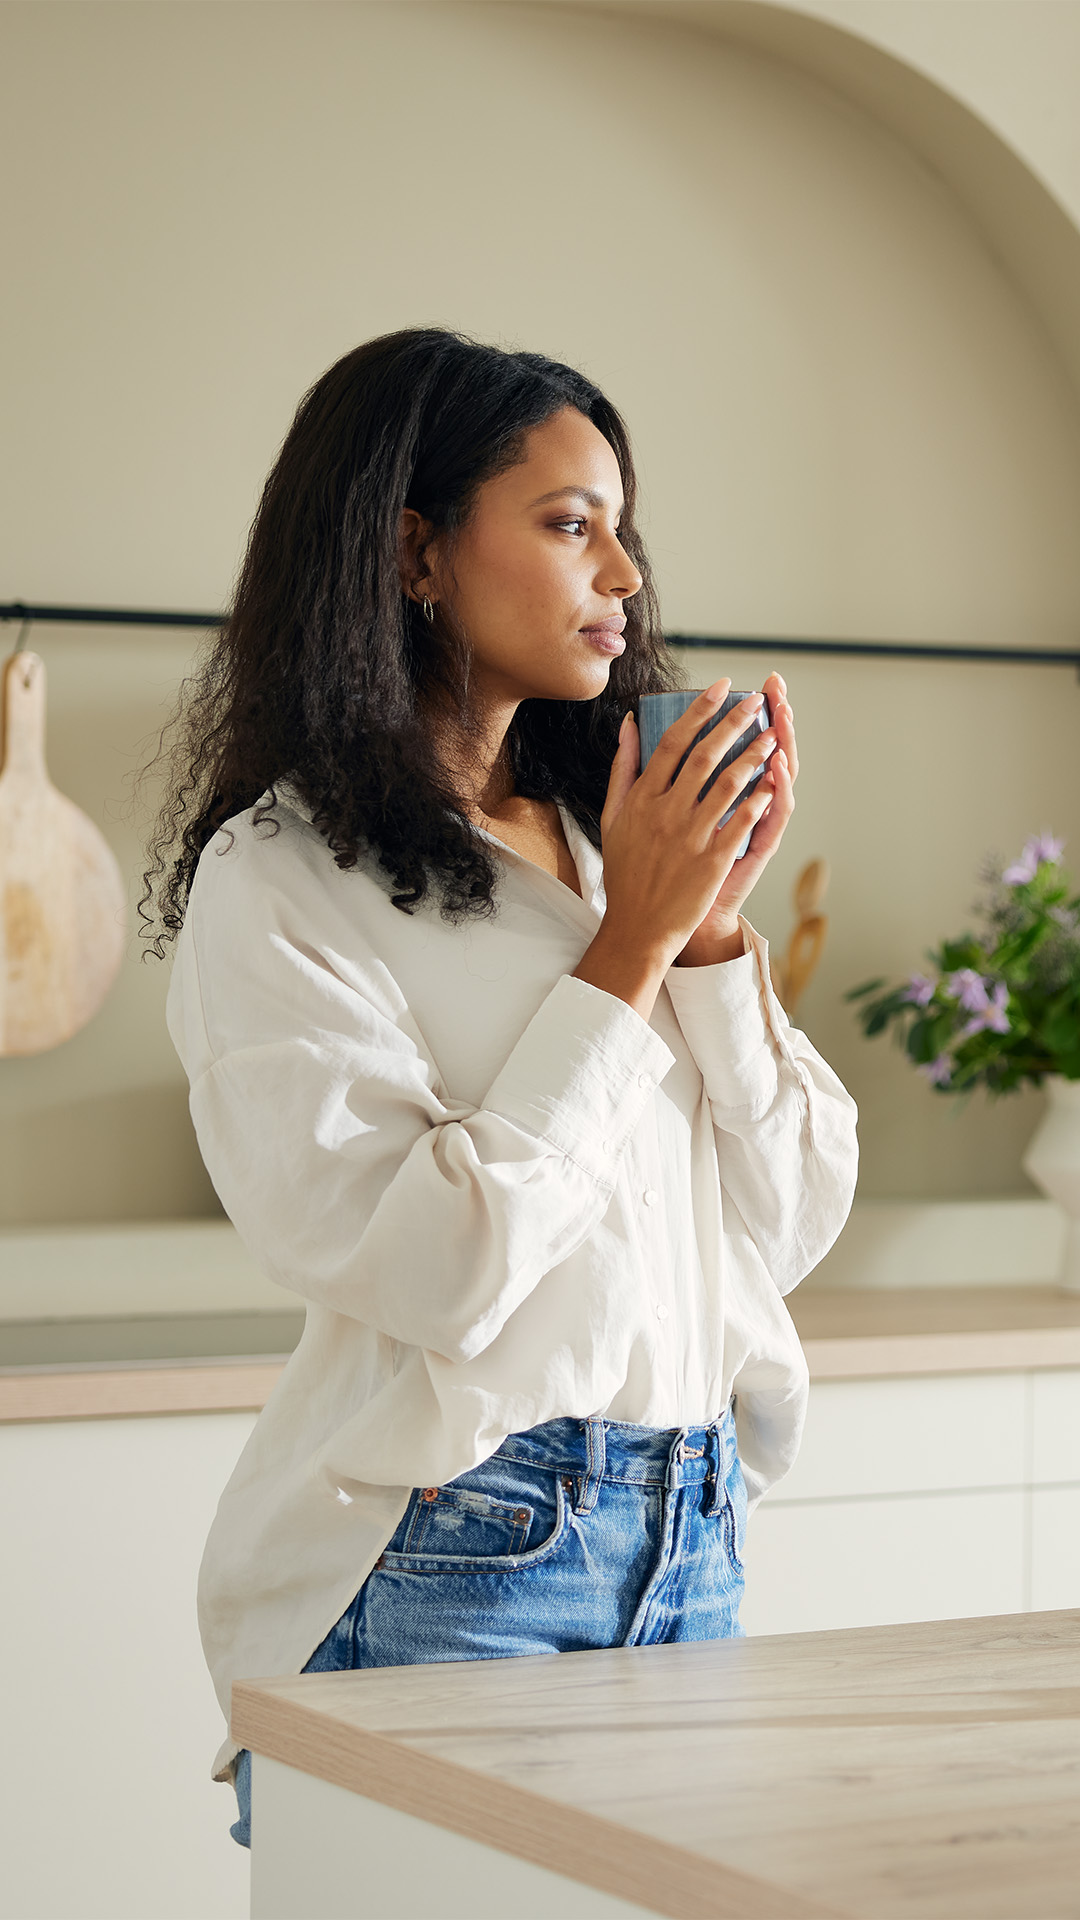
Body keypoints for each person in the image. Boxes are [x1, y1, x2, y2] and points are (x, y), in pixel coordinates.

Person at [146, 327, 859, 1849]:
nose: (624, 576)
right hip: (451, 1570)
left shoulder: (619, 846)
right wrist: (634, 947)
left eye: (623, 528)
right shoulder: (277, 882)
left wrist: (714, 929)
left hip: (695, 1541)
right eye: (566, 523)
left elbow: (791, 1219)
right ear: (414, 553)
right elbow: (434, 1263)